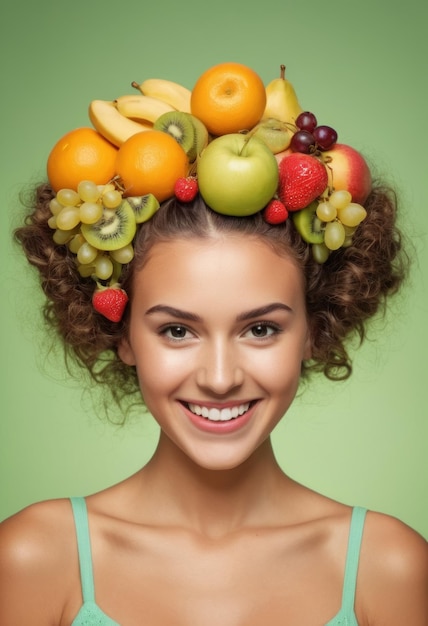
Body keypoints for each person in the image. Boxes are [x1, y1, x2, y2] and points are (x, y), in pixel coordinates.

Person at [1, 62, 427, 625]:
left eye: (261, 329)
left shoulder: (389, 567)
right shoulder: (36, 559)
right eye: (177, 330)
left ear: (315, 328)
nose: (221, 377)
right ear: (122, 334)